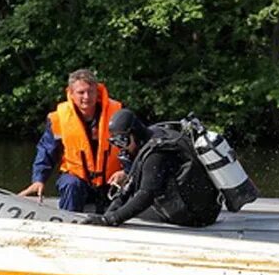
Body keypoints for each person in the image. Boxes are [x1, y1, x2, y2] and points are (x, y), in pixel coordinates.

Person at [82, 109, 222, 227]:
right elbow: (129, 186)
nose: (120, 147)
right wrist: (108, 214)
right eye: (115, 141)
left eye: (122, 140)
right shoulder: (153, 137)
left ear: (135, 133)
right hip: (206, 209)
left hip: (195, 216)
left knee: (134, 210)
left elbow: (146, 195)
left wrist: (110, 219)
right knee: (124, 207)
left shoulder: (157, 153)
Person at [19, 68, 125, 212]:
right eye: (81, 92)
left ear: (97, 92)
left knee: (126, 187)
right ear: (71, 93)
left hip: (112, 182)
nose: (86, 97)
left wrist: (126, 172)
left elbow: (134, 148)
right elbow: (46, 151)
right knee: (71, 184)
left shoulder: (118, 115)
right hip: (77, 180)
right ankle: (68, 225)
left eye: (90, 91)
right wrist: (39, 179)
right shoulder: (58, 118)